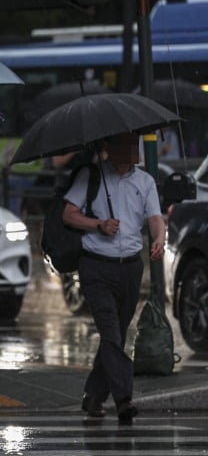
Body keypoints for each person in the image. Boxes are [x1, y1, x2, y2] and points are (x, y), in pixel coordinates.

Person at [62, 132, 164, 422]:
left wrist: (159, 238)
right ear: (108, 147)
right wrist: (98, 224)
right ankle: (123, 398)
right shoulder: (91, 175)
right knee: (110, 333)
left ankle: (94, 395)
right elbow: (68, 214)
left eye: (136, 144)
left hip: (130, 267)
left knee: (115, 337)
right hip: (96, 267)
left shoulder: (144, 181)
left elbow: (155, 217)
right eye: (128, 145)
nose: (135, 150)